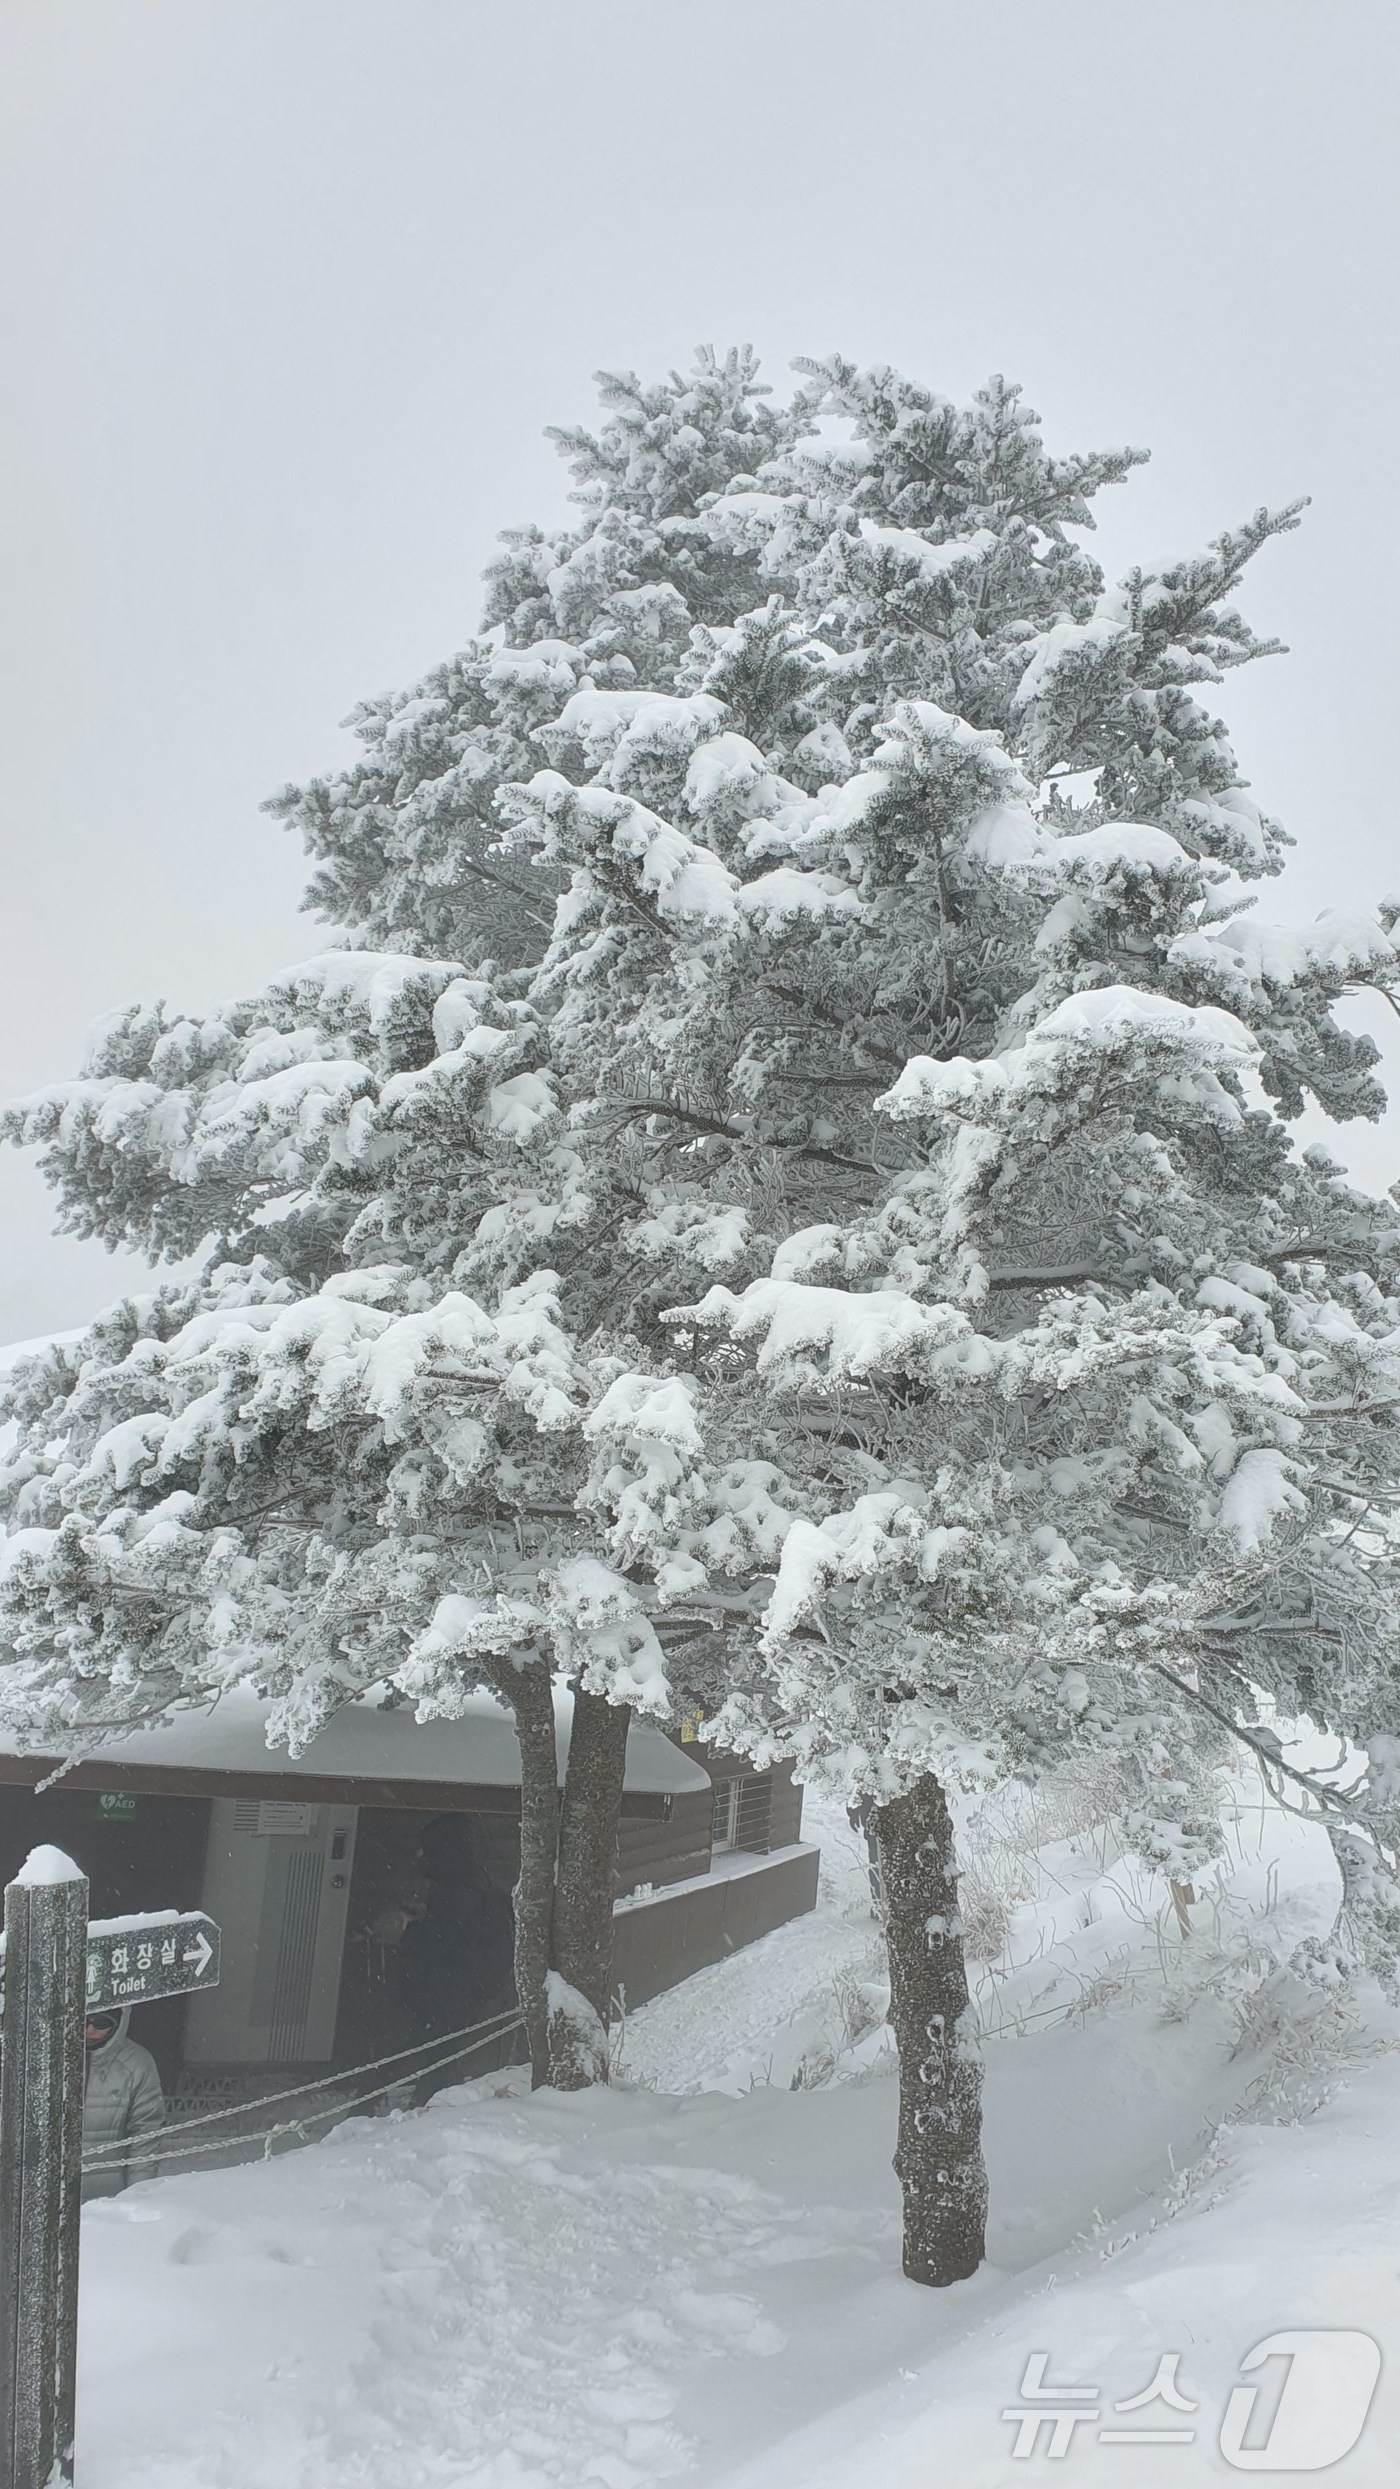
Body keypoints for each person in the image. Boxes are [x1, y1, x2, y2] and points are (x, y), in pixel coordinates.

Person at [396, 1817, 515, 2096]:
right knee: (444, 2052)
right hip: (472, 1986)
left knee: (439, 2054)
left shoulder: (456, 1892)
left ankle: (433, 2106)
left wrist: (410, 1929)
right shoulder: (480, 1883)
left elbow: (440, 1944)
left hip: (452, 1986)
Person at [81, 2008, 165, 2200]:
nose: (89, 2029)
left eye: (101, 2023)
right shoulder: (44, 2057)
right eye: (82, 2021)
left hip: (106, 2198)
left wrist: (137, 2195)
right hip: (42, 2198)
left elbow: (146, 2133)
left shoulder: (136, 2063)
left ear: (118, 2022)